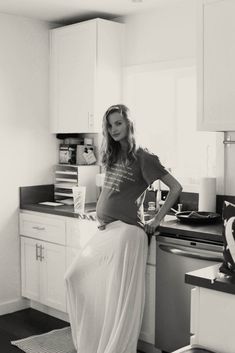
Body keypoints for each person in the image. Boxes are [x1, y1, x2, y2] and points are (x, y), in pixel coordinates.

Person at [65, 104, 182, 353]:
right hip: (107, 231)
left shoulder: (144, 157)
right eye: (109, 125)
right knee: (74, 277)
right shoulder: (113, 154)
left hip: (128, 233)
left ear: (129, 123)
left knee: (118, 297)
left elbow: (175, 187)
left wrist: (157, 220)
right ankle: (94, 344)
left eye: (118, 123)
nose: (114, 129)